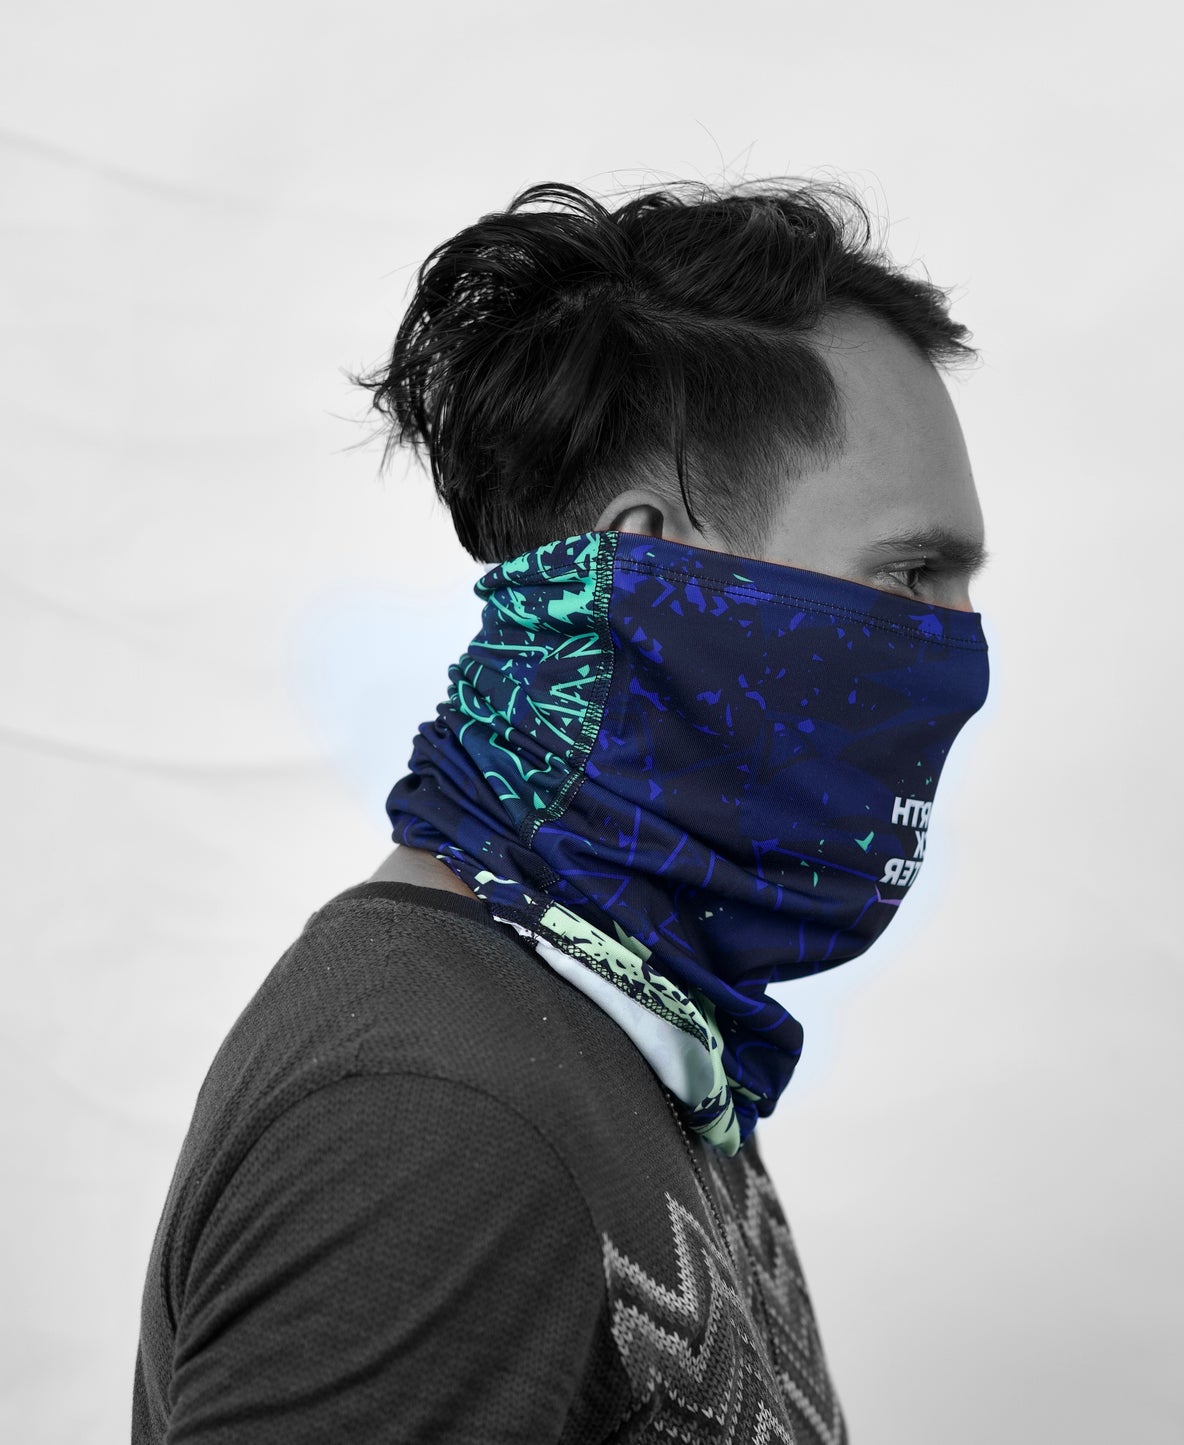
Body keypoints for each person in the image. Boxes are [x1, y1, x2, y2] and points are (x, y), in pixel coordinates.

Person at [132, 177, 992, 1444]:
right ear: (652, 559)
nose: (962, 653)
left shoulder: (625, 1017)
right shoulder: (431, 1119)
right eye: (911, 573)